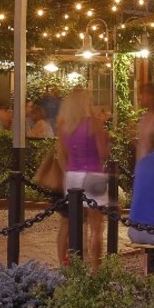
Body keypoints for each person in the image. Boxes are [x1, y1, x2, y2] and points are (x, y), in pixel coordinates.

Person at [58, 88, 109, 268]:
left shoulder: (64, 126)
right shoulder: (93, 123)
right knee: (96, 226)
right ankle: (95, 267)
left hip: (72, 175)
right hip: (93, 173)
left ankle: (73, 266)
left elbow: (63, 155)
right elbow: (103, 153)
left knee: (74, 225)